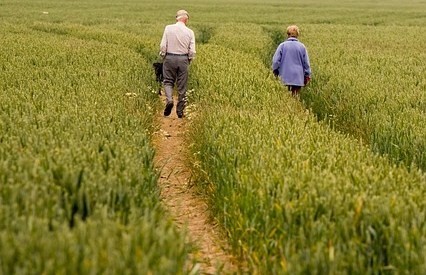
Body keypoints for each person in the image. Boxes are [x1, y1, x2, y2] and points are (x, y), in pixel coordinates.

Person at [159, 9, 196, 118]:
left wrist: (164, 56)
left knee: (168, 81)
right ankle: (180, 111)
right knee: (182, 85)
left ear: (177, 18)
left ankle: (169, 100)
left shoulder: (168, 28)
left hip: (169, 57)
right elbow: (192, 50)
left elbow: (163, 45)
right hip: (183, 59)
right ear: (186, 20)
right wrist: (188, 59)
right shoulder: (190, 32)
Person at [272, 25, 311, 97]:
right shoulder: (302, 46)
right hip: (298, 77)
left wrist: (275, 71)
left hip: (284, 76)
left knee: (285, 98)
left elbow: (275, 61)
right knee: (295, 97)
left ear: (287, 34)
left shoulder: (282, 46)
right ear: (297, 35)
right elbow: (306, 64)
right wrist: (307, 75)